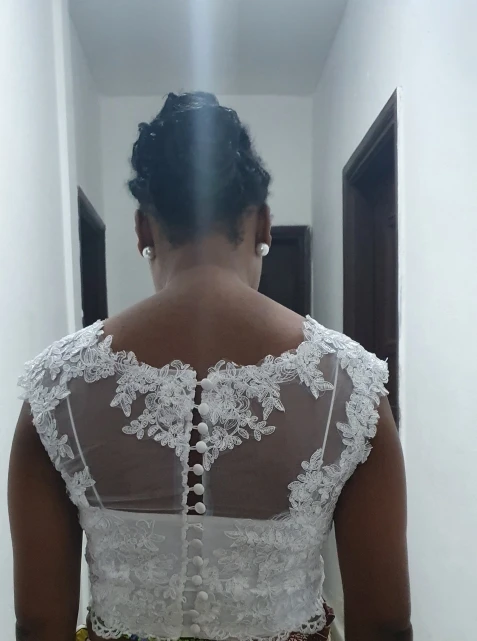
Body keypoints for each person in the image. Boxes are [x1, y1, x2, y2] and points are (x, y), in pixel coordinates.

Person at [9, 92, 412, 641]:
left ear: (142, 230)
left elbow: (38, 624)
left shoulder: (53, 387)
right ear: (264, 225)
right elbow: (385, 623)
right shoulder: (353, 384)